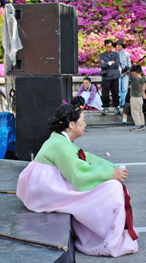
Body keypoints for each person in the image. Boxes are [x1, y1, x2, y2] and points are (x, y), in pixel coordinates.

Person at [16, 104, 138, 257]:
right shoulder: (60, 145)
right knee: (112, 188)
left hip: (47, 187)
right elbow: (79, 173)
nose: (85, 124)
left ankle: (104, 234)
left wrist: (112, 168)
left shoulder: (60, 140)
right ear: (72, 125)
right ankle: (107, 240)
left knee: (109, 185)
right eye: (83, 120)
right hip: (45, 192)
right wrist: (111, 173)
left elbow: (85, 159)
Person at [98, 40, 121, 115]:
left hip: (115, 76)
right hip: (106, 77)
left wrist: (106, 63)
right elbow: (101, 65)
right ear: (105, 46)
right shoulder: (102, 55)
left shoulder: (116, 54)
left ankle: (116, 106)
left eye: (110, 47)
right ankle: (105, 107)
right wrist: (111, 62)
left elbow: (117, 64)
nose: (109, 48)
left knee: (115, 92)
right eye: (107, 47)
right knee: (105, 93)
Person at [128, 65, 146, 132]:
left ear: (134, 72)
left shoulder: (134, 79)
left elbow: (128, 73)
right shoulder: (143, 78)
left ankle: (138, 126)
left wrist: (131, 67)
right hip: (140, 98)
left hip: (135, 98)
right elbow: (142, 74)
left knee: (135, 112)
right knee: (140, 111)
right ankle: (142, 124)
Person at [116, 40, 131, 108]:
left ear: (122, 46)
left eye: (120, 45)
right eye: (117, 45)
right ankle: (118, 103)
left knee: (125, 89)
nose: (119, 46)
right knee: (118, 89)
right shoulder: (114, 54)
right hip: (117, 73)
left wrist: (127, 68)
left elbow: (129, 64)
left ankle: (124, 103)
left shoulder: (126, 54)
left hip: (125, 74)